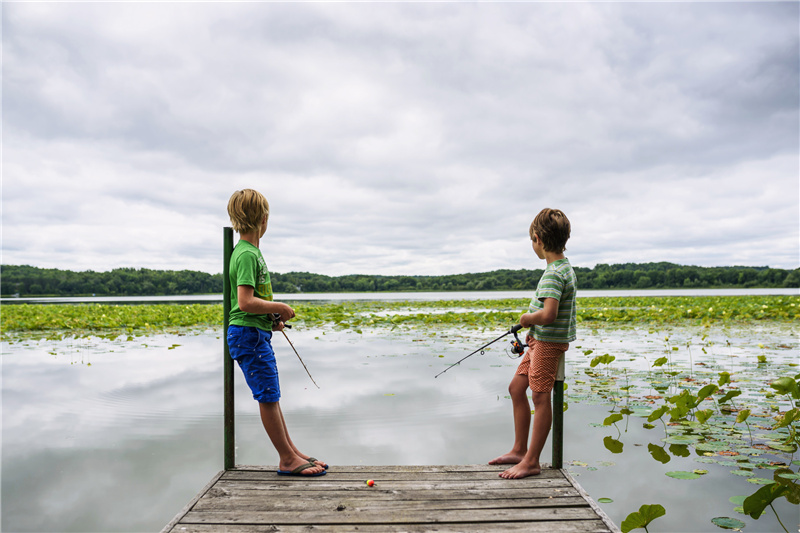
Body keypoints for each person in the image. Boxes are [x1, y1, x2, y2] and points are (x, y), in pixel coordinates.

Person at [226, 189, 327, 477]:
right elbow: (244, 302)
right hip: (248, 335)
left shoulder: (251, 252)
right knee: (268, 397)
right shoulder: (246, 254)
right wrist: (279, 306)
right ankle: (286, 459)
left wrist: (270, 320)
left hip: (254, 332)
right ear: (263, 219)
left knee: (272, 394)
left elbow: (247, 305)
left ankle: (292, 452)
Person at [489, 208, 577, 479]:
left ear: (538, 239)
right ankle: (519, 449)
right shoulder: (562, 268)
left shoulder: (553, 274)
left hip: (549, 343)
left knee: (540, 397)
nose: (532, 245)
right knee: (517, 388)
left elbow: (549, 314)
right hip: (540, 340)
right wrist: (533, 331)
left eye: (531, 240)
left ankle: (531, 461)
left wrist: (528, 318)